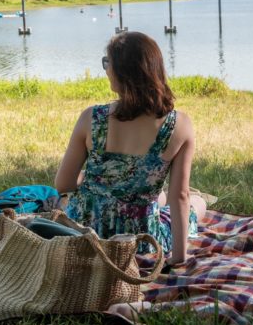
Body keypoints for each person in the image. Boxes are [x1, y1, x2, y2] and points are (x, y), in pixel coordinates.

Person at [54, 31, 205, 264]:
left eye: (108, 63)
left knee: (158, 196)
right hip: (140, 240)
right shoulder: (179, 125)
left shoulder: (91, 118)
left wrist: (93, 180)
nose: (106, 69)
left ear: (122, 72)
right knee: (196, 202)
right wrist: (179, 257)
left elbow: (63, 183)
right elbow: (181, 197)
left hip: (86, 234)